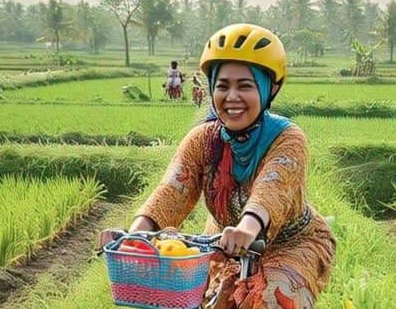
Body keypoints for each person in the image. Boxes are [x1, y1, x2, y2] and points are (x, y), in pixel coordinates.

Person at [99, 23, 336, 309]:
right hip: (225, 240)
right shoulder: (203, 140)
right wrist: (135, 237)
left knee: (272, 298)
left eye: (245, 86)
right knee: (213, 302)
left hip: (293, 242)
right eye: (223, 86)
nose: (231, 97)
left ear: (270, 88)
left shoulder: (287, 138)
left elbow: (271, 191)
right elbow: (172, 190)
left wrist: (247, 228)